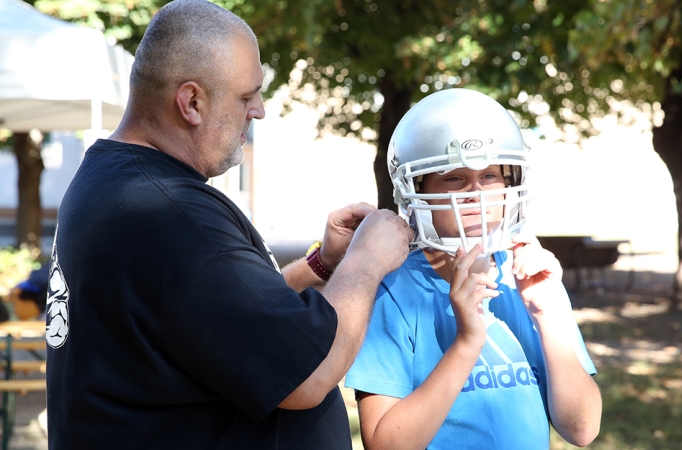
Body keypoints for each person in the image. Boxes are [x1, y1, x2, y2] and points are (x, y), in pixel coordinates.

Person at [44, 1, 413, 449]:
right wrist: (365, 263)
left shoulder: (116, 183)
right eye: (246, 95)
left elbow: (224, 318)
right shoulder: (170, 216)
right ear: (191, 101)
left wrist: (323, 264)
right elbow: (308, 374)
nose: (258, 111)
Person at [344, 88, 602, 449]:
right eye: (453, 178)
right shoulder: (393, 292)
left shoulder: (530, 277)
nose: (475, 192)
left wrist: (548, 317)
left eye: (491, 175)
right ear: (416, 188)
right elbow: (386, 445)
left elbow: (582, 429)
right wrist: (467, 342)